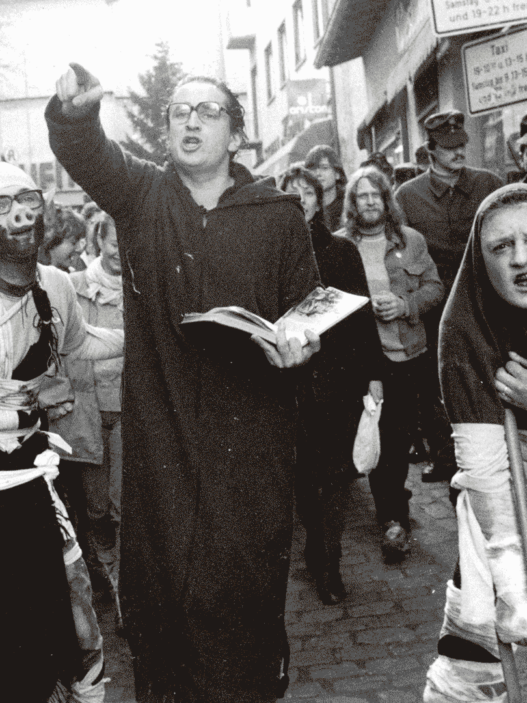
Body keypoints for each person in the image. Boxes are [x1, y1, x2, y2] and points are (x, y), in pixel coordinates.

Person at [46, 62, 321, 703]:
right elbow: (86, 153)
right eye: (178, 111)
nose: (190, 120)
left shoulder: (277, 214)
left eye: (208, 111)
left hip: (251, 438)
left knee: (245, 586)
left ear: (236, 135)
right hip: (162, 436)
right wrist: (75, 115)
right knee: (167, 586)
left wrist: (301, 348)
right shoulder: (143, 196)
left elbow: (309, 312)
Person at [0, 161, 124, 702]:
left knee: (64, 617)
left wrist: (149, 331)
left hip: (30, 480)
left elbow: (81, 344)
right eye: (3, 205)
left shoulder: (53, 286)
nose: (19, 214)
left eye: (27, 200)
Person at [424, 184, 527, 702]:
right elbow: (486, 473)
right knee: (469, 675)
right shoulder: (466, 326)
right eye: (501, 247)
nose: (521, 259)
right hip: (502, 521)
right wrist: (511, 580)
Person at [280, 165, 384, 603]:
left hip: (339, 379)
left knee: (338, 475)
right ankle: (317, 540)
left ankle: (330, 561)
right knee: (304, 475)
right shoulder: (272, 250)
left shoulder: (341, 250)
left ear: (320, 198)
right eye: (293, 192)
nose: (301, 198)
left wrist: (375, 376)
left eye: (309, 191)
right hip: (292, 381)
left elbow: (362, 320)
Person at [338, 165, 444, 559]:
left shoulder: (410, 241)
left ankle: (393, 515)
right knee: (371, 437)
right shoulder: (340, 246)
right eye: (361, 196)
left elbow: (435, 286)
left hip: (405, 355)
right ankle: (392, 515)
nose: (369, 202)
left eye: (375, 195)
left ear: (386, 200)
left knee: (397, 439)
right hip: (362, 363)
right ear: (352, 203)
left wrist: (405, 304)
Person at [396, 110, 503, 482]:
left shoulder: (488, 183)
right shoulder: (407, 197)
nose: (459, 153)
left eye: (462, 146)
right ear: (430, 151)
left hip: (489, 302)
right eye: (449, 148)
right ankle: (446, 456)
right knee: (436, 384)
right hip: (435, 308)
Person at [50, 212, 124, 607]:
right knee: (95, 511)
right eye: (114, 243)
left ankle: (125, 593)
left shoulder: (141, 286)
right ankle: (109, 575)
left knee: (123, 508)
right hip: (85, 415)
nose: (119, 252)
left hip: (129, 412)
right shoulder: (72, 286)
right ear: (99, 241)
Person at [304, 144, 347, 232]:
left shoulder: (349, 204)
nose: (318, 173)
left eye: (324, 168)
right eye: (313, 169)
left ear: (337, 173)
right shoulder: (305, 208)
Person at [41, 205, 86, 272]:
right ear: (52, 240)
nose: (79, 248)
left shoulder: (75, 269)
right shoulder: (37, 275)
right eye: (73, 242)